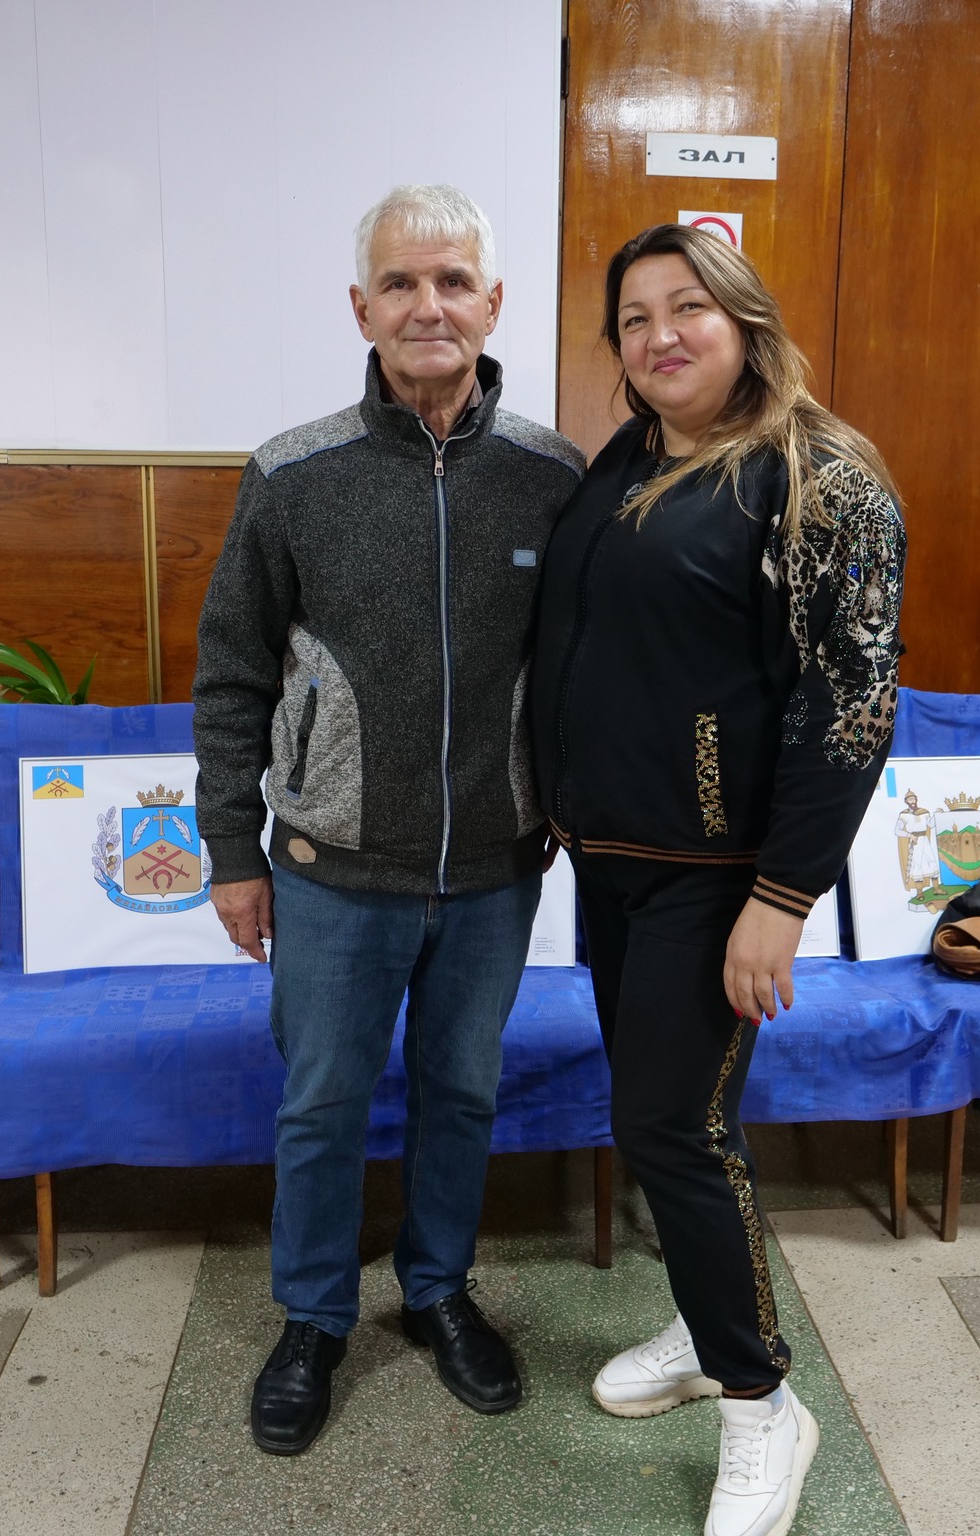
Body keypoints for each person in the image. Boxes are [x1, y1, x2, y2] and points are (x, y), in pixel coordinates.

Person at [192, 184, 585, 1456]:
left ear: (492, 303)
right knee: (320, 1104)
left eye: (452, 281)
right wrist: (231, 853)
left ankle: (436, 1292)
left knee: (461, 1093)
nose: (428, 306)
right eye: (400, 284)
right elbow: (232, 677)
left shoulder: (552, 476)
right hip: (329, 872)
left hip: (493, 874)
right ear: (360, 309)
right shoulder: (291, 475)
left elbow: (583, 672)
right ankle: (312, 1318)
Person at [532, 225, 905, 1536]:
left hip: (720, 876)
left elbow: (851, 709)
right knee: (675, 1118)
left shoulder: (820, 478)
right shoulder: (625, 460)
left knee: (668, 1130)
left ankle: (760, 1404)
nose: (658, 335)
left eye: (686, 306)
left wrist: (782, 898)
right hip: (614, 866)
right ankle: (704, 1328)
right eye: (633, 318)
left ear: (745, 320)